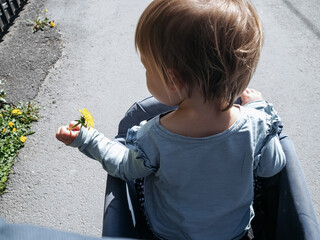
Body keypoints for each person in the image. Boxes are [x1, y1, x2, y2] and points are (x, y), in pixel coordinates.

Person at [56, 0, 286, 239]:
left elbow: (124, 165)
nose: (145, 72)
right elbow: (273, 167)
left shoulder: (155, 137)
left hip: (169, 234)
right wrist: (259, 108)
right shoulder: (257, 126)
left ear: (173, 81)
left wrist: (87, 138)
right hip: (234, 232)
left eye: (147, 67)